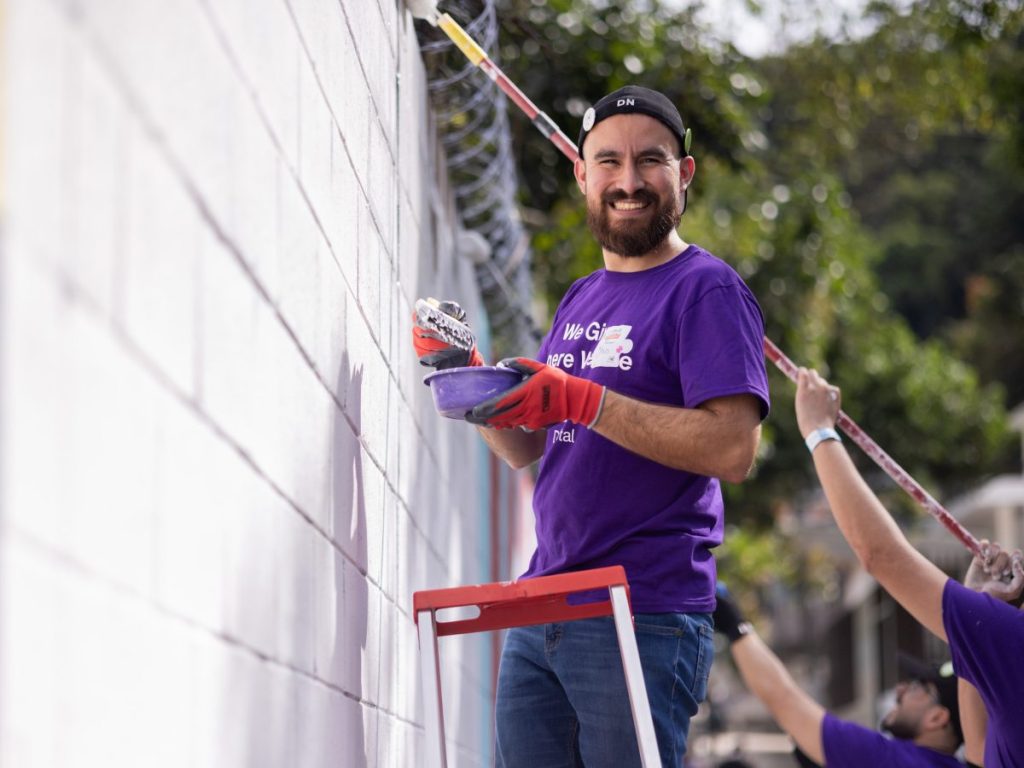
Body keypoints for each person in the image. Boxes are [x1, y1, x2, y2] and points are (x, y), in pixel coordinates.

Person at [413, 85, 770, 766]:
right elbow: (527, 448)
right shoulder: (582, 294)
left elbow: (732, 447)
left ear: (683, 173)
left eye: (650, 161)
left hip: (640, 611)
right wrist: (468, 372)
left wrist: (583, 400)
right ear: (582, 173)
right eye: (608, 162)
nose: (628, 182)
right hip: (541, 599)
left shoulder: (707, 289)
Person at [794, 367, 1024, 766]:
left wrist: (818, 430)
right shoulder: (1006, 643)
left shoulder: (1011, 641)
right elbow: (978, 749)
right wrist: (977, 607)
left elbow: (881, 556)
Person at [712, 587, 969, 767]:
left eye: (917, 687)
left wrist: (734, 624)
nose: (900, 690)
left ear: (937, 717)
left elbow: (784, 700)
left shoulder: (893, 760)